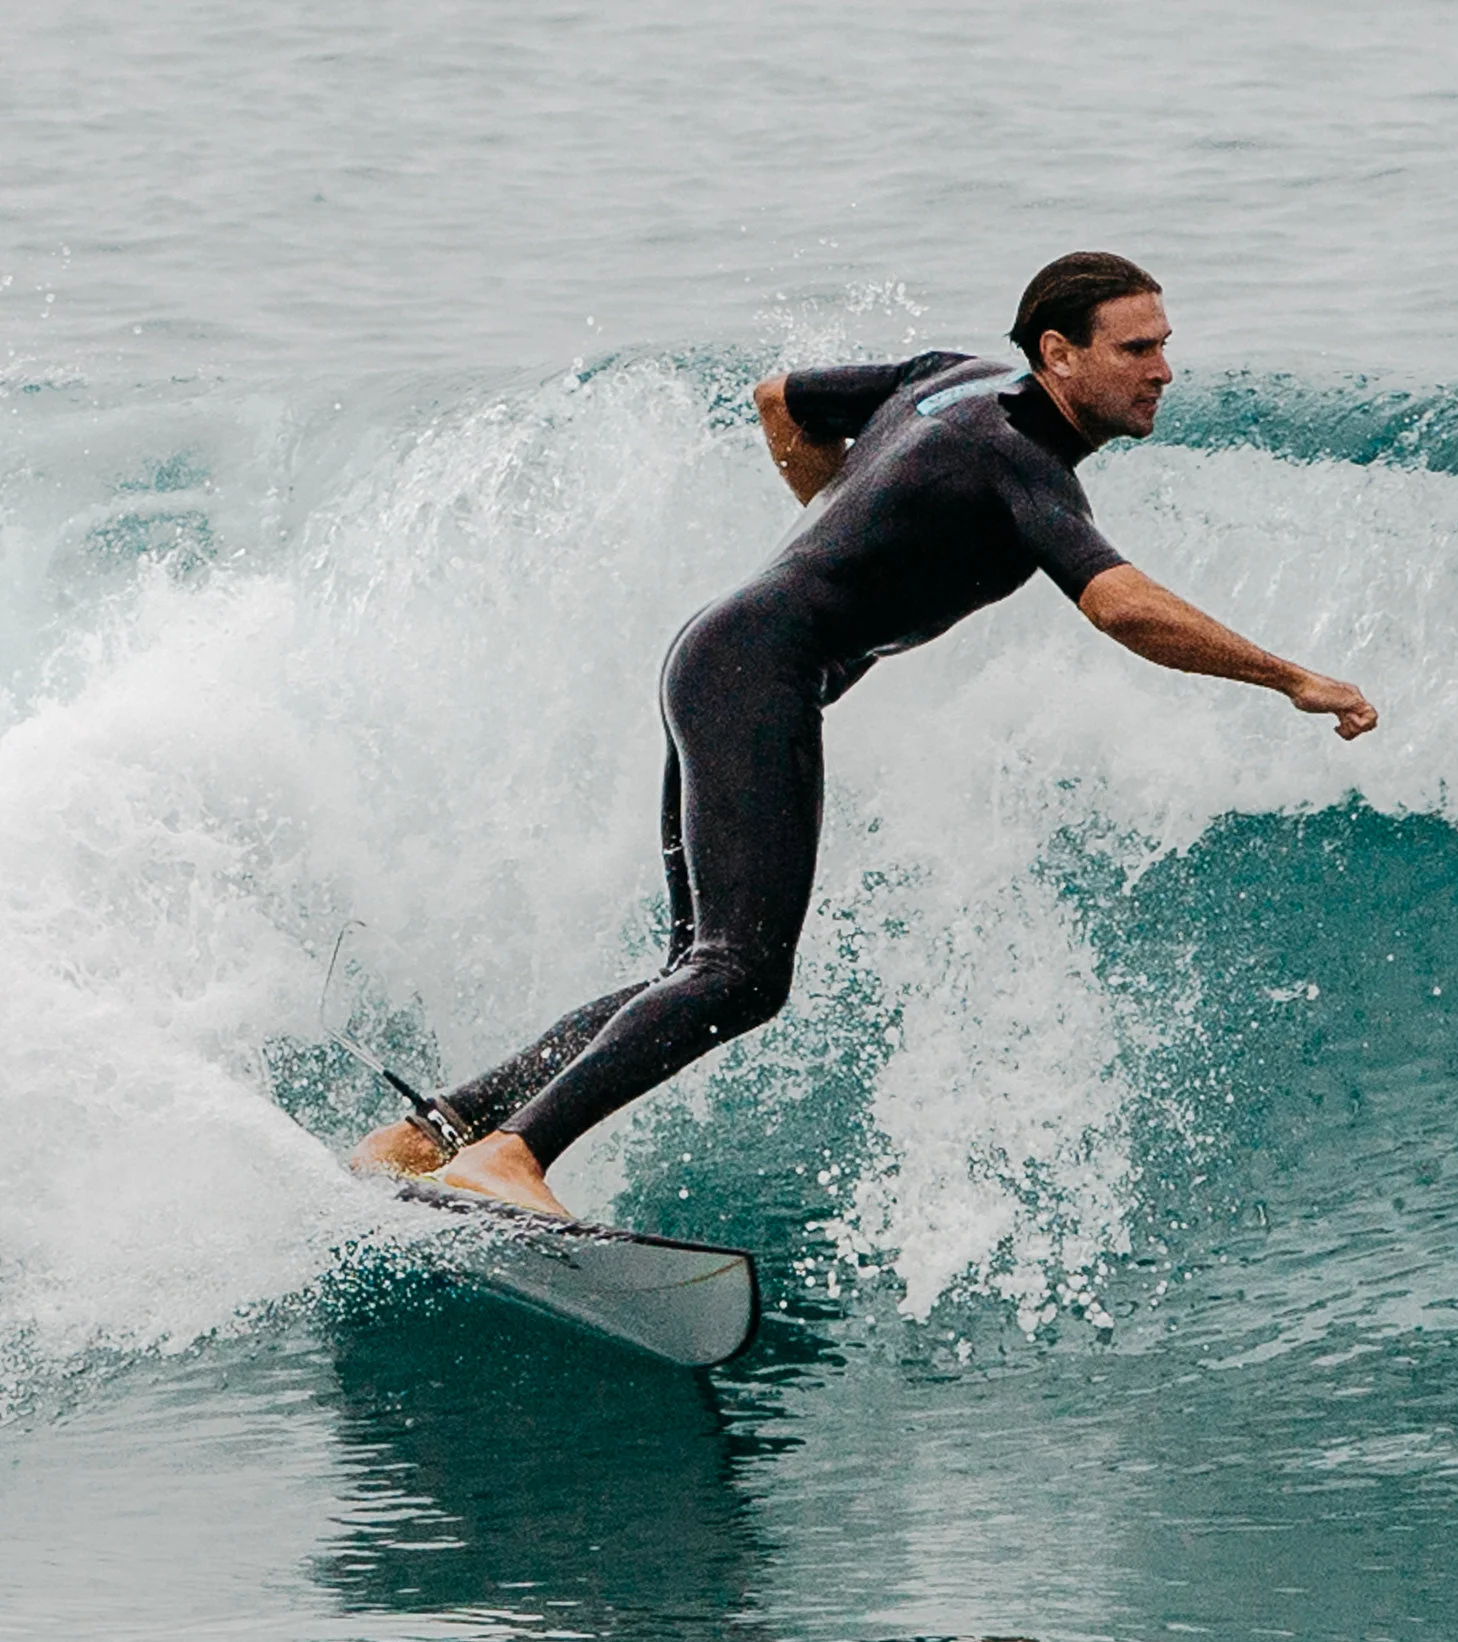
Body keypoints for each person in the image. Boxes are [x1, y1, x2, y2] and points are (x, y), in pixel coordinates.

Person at [351, 252, 1379, 1214]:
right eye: (1136, 349)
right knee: (740, 974)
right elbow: (1120, 607)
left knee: (696, 969)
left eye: (1163, 343)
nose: (1164, 370)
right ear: (1058, 354)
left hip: (723, 651)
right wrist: (1287, 675)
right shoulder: (1025, 461)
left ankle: (432, 1132)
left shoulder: (952, 379)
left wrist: (848, 526)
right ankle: (511, 1155)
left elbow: (781, 399)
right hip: (757, 670)